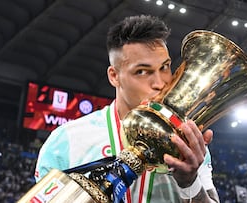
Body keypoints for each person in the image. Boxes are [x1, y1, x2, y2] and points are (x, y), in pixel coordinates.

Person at [34, 15, 220, 203]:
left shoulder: (187, 143)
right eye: (142, 72)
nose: (160, 83)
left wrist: (190, 183)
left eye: (165, 67)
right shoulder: (66, 141)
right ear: (114, 76)